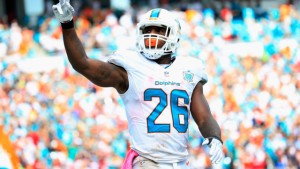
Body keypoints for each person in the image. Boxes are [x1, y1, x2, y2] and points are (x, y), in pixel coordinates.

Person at [52, 0, 224, 168]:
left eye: (159, 30)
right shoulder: (130, 67)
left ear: (173, 35)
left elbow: (203, 117)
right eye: (148, 30)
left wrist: (214, 137)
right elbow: (83, 63)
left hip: (179, 162)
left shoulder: (189, 69)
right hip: (146, 161)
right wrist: (67, 25)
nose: (152, 35)